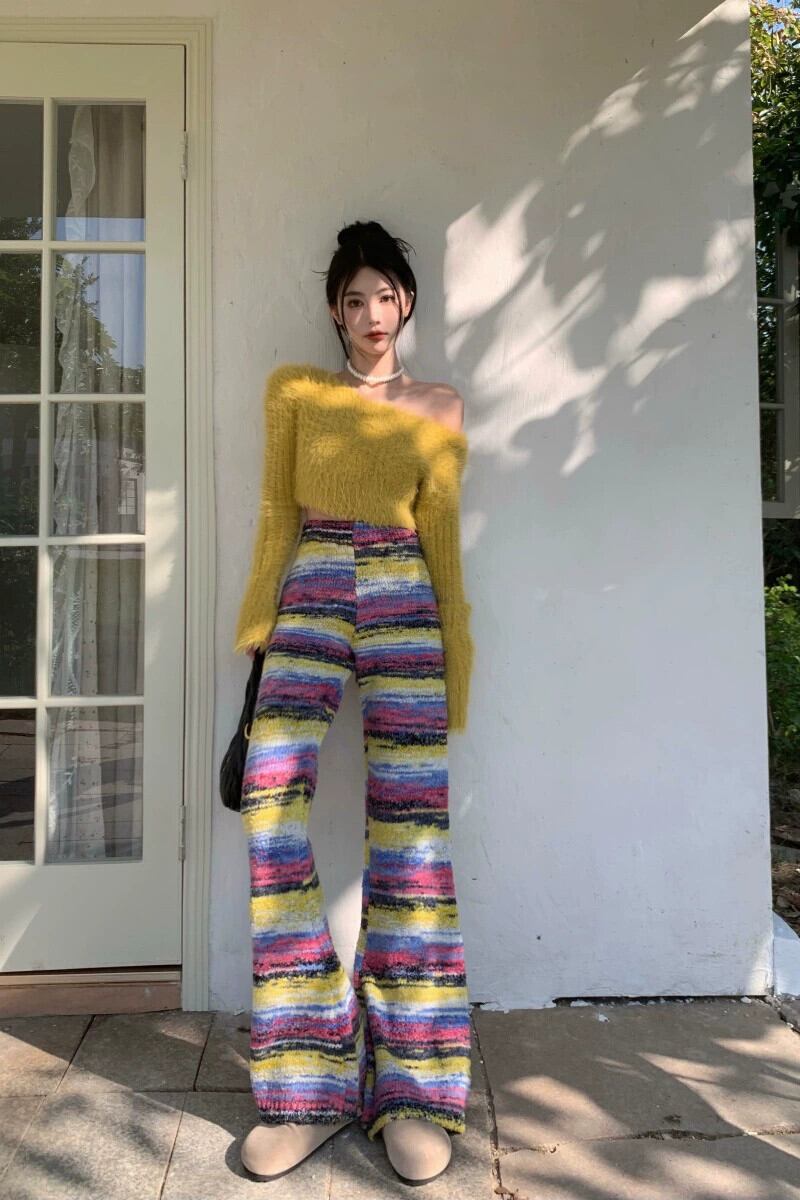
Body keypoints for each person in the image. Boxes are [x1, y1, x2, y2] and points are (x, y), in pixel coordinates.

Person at [234, 220, 474, 1185]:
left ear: (406, 301)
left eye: (385, 295)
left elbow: (443, 537)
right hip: (315, 580)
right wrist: (259, 630)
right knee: (269, 800)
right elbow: (275, 516)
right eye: (353, 299)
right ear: (335, 312)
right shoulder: (297, 395)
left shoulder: (439, 404)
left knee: (411, 832)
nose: (371, 314)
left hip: (407, 595)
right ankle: (311, 1080)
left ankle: (413, 1085)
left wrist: (457, 661)